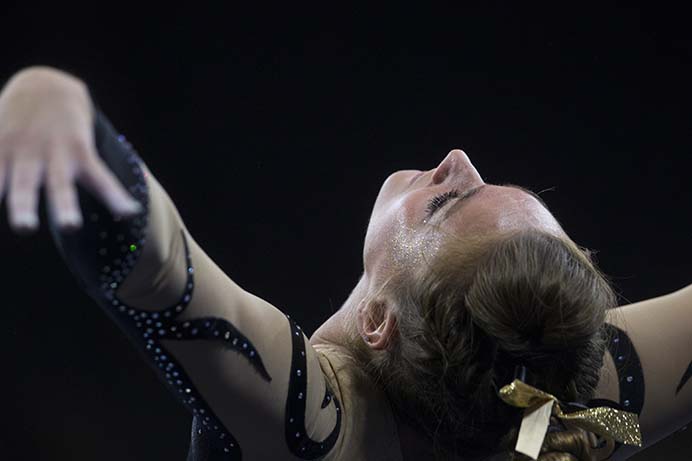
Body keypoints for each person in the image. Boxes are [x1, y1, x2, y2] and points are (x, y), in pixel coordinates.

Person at [0, 66, 689, 461]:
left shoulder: (319, 427)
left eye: (445, 203)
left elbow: (157, 276)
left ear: (378, 321)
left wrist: (60, 113)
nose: (460, 160)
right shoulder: (565, 409)